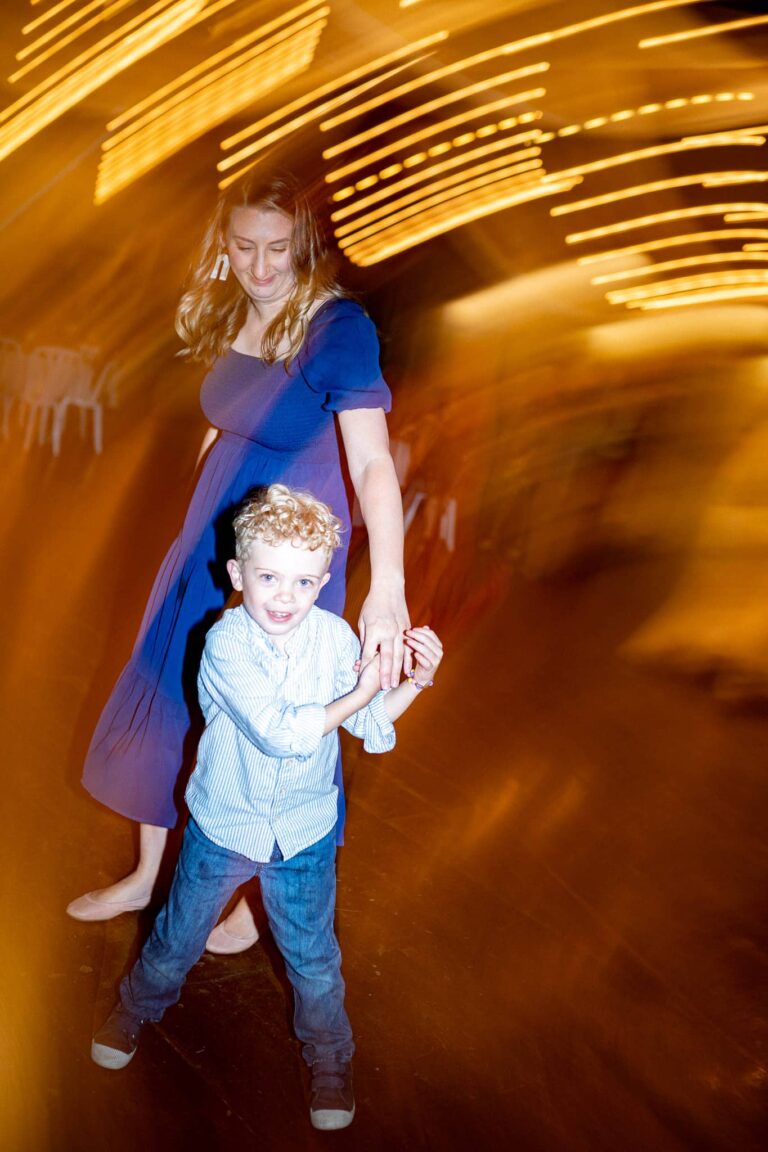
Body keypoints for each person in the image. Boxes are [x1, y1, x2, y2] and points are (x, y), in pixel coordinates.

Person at [67, 171, 410, 954]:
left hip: (287, 552)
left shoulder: (337, 328)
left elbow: (372, 464)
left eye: (278, 249)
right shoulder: (232, 310)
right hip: (214, 536)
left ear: (305, 246)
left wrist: (387, 585)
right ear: (223, 245)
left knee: (274, 725)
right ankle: (147, 873)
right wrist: (193, 528)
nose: (260, 268)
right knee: (173, 686)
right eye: (244, 247)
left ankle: (260, 901)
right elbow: (222, 422)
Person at [89, 485, 443, 1131]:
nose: (285, 596)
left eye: (304, 581)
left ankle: (330, 1062)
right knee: (175, 939)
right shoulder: (226, 643)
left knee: (315, 965)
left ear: (324, 583)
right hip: (224, 826)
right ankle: (134, 1010)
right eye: (269, 576)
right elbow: (282, 732)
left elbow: (368, 723)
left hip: (304, 835)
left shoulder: (333, 638)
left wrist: (417, 680)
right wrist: (362, 689)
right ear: (237, 574)